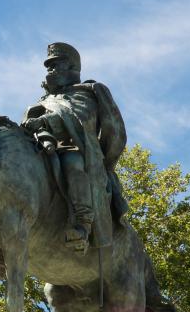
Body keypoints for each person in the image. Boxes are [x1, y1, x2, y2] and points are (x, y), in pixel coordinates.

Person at [21, 42, 129, 254]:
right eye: (48, 66)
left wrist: (45, 122)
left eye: (55, 65)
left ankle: (83, 224)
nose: (50, 70)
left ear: (71, 68)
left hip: (77, 152)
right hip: (42, 149)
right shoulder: (44, 100)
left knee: (72, 163)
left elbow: (82, 119)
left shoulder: (88, 92)